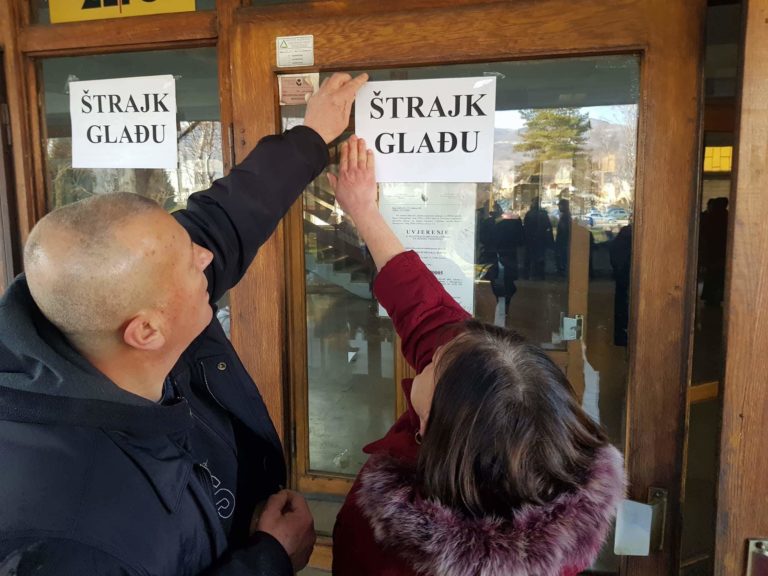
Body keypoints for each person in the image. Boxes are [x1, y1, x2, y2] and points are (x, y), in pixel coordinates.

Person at [0, 72, 367, 575]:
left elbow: (223, 220)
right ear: (145, 332)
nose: (205, 256)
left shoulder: (119, 304)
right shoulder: (67, 537)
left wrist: (309, 139)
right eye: (190, 261)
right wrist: (268, 560)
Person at [330, 136, 625, 576]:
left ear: (434, 426)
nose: (430, 351)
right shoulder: (513, 438)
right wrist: (364, 211)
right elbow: (426, 315)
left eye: (433, 364)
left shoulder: (383, 547)